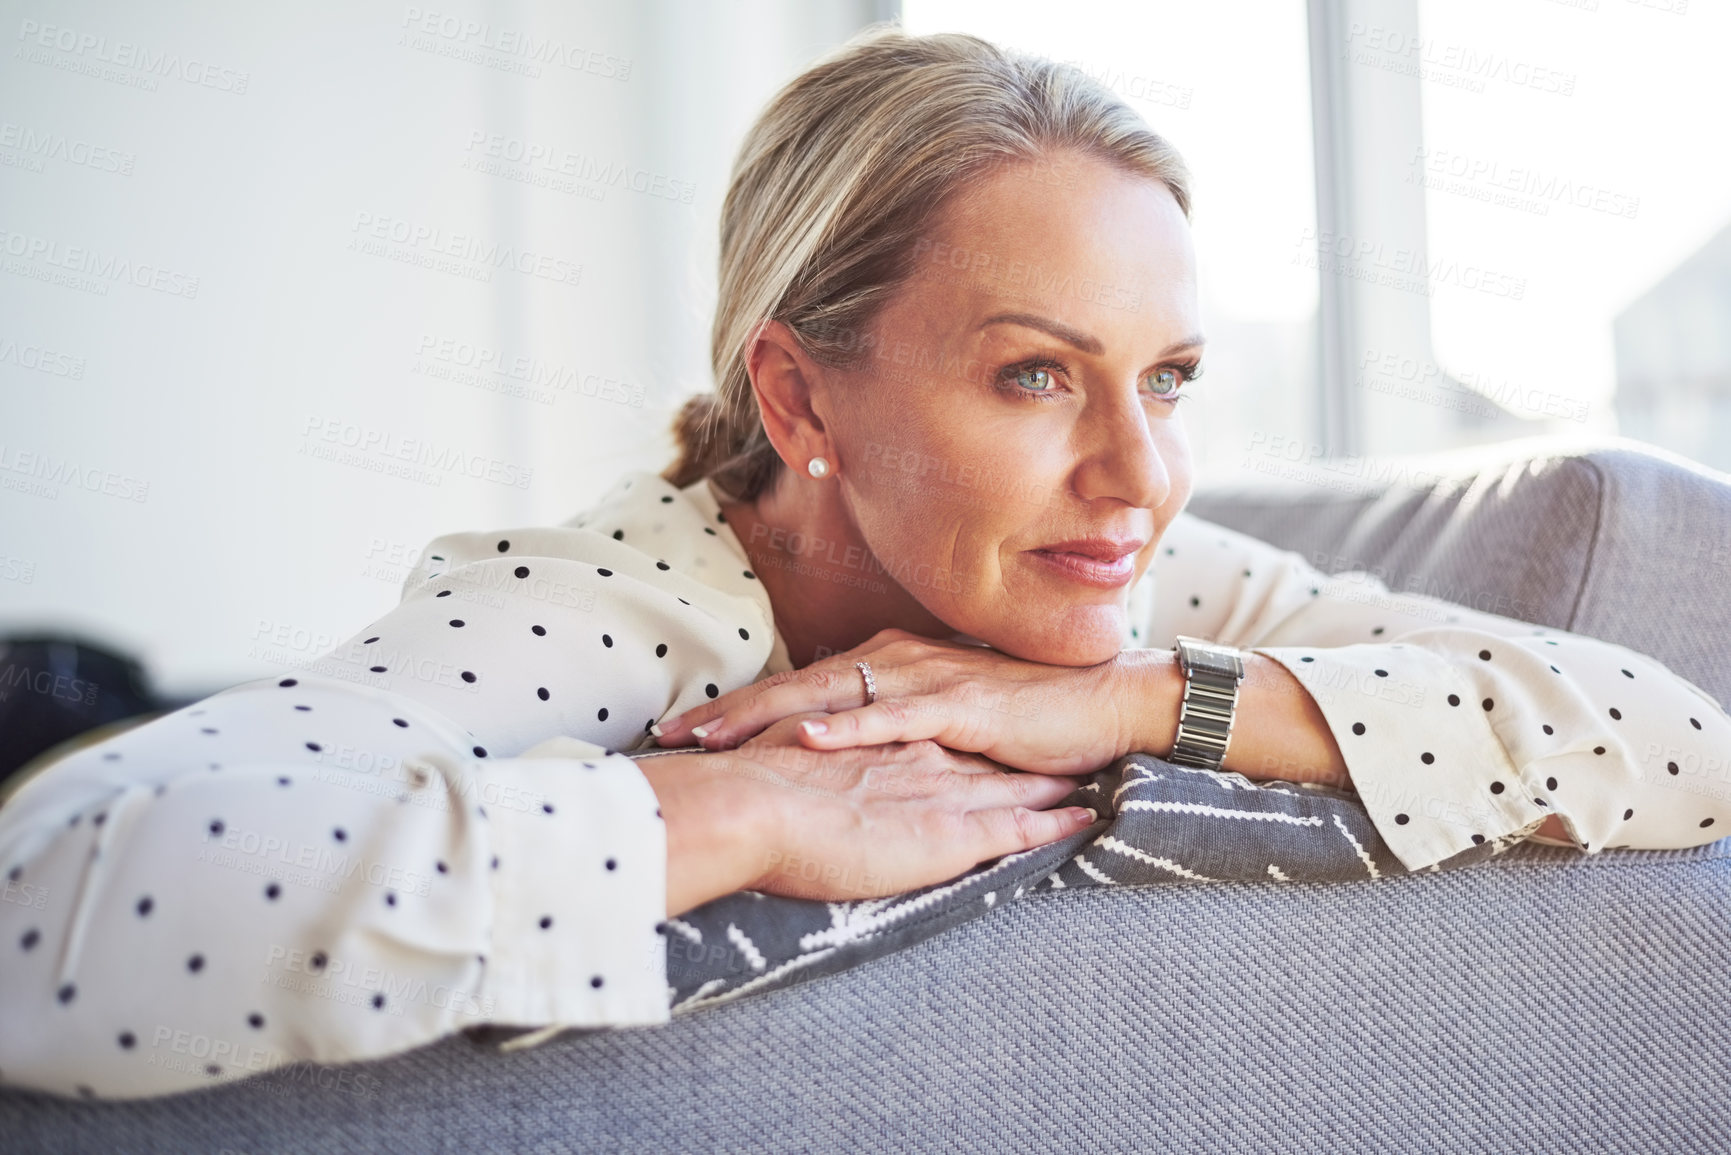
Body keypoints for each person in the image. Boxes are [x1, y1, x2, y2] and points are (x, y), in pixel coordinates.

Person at [3, 26, 1728, 1102]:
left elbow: (1683, 740)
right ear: (796, 392)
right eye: (1035, 373)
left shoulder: (1139, 582)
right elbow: (48, 916)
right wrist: (739, 817)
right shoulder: (597, 616)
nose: (1141, 472)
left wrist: (1124, 705)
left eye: (1172, 379)